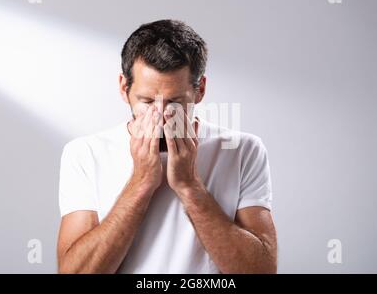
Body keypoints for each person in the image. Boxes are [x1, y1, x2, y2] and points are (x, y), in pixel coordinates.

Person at [57, 19, 277, 273]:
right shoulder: (84, 154)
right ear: (123, 88)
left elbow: (261, 271)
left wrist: (189, 186)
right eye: (147, 101)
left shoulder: (243, 150)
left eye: (174, 102)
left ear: (200, 90)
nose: (161, 115)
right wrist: (140, 183)